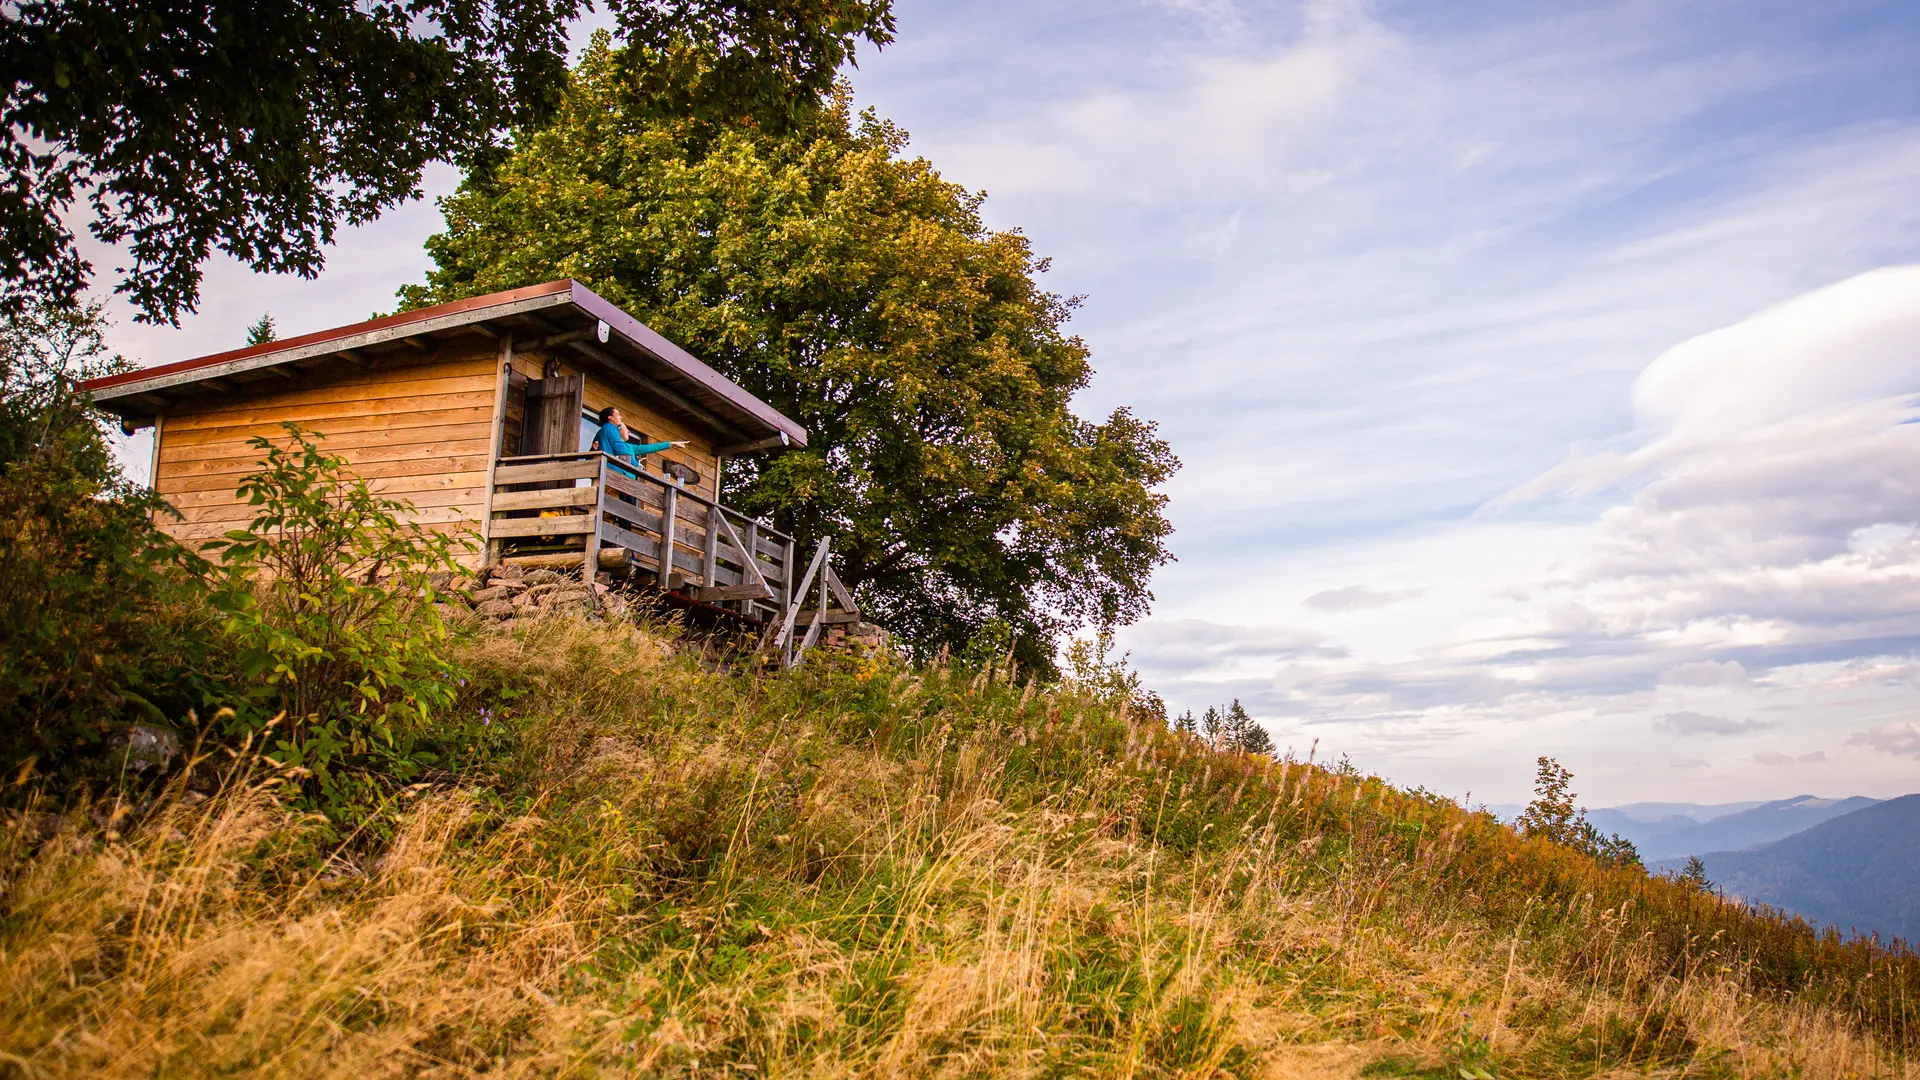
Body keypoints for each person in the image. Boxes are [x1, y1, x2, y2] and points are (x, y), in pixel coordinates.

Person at [592, 406, 686, 469]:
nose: (620, 417)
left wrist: (670, 444)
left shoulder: (628, 445)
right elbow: (621, 450)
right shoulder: (610, 428)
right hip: (614, 475)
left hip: (620, 477)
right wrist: (637, 466)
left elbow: (650, 448)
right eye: (617, 414)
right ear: (610, 418)